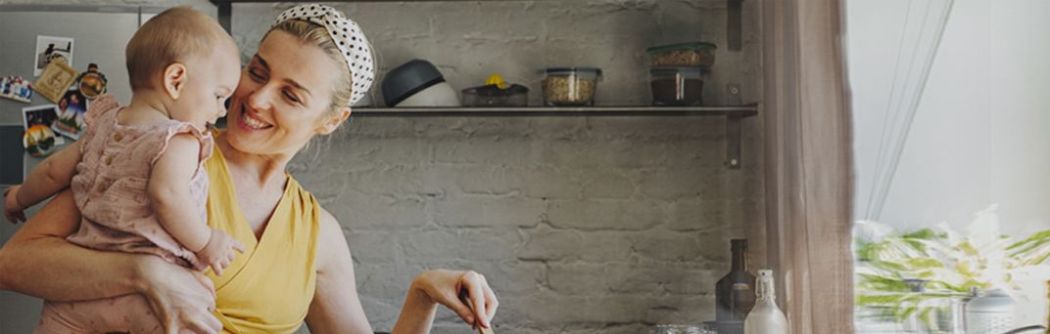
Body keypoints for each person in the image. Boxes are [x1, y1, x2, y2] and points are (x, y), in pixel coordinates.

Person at [0, 4, 497, 334]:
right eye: (257, 72)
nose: (255, 99)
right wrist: (142, 272)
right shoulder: (165, 153)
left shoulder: (316, 232)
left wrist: (424, 291)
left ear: (330, 121)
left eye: (291, 94)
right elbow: (14, 263)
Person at [5, 7, 244, 333]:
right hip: (147, 300)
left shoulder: (102, 126)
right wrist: (206, 242)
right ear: (176, 80)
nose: (219, 112)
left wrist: (19, 197)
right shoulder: (179, 139)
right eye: (219, 96)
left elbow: (51, 172)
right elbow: (167, 195)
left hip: (79, 293)